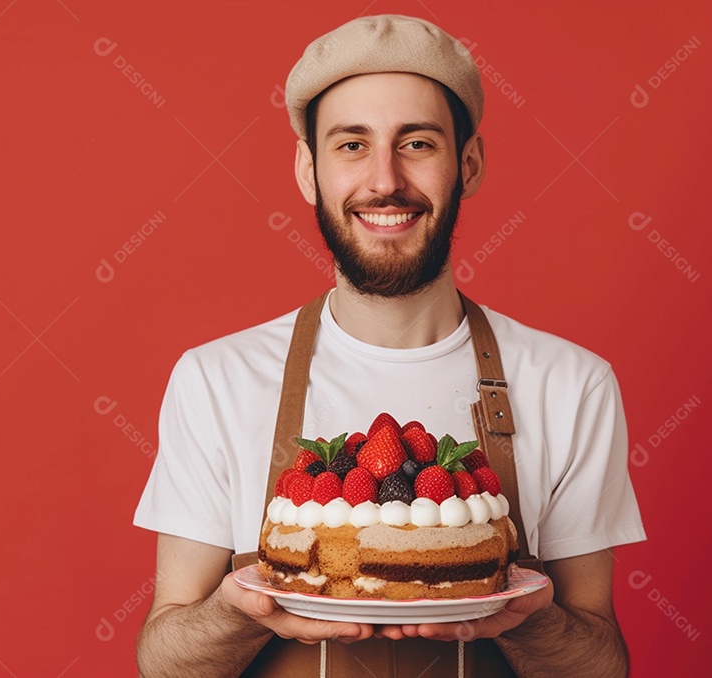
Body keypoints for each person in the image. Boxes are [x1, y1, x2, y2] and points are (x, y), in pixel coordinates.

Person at [133, 14, 645, 677]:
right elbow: (165, 662)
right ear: (308, 170)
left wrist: (532, 619)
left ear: (469, 164)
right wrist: (238, 610)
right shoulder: (214, 381)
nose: (384, 181)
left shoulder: (572, 384)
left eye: (417, 143)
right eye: (351, 145)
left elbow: (598, 666)